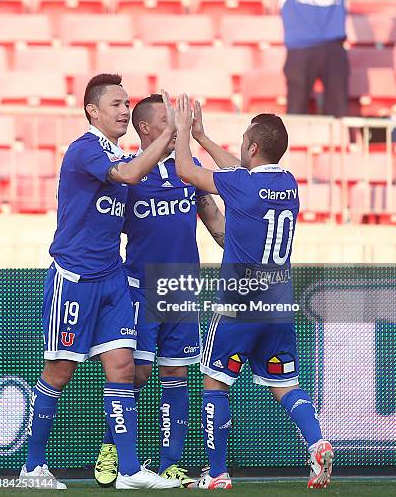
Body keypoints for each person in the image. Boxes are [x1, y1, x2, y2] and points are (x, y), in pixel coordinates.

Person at [20, 75, 180, 490]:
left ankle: (128, 471)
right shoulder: (85, 149)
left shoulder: (122, 154)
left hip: (112, 279)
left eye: (127, 103)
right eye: (116, 103)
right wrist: (169, 136)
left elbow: (131, 209)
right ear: (92, 110)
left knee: (124, 367)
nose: (125, 110)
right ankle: (32, 467)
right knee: (59, 371)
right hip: (74, 277)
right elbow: (127, 176)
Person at [174, 97, 334, 490]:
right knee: (286, 384)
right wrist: (204, 137)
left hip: (238, 302)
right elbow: (236, 169)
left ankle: (216, 474)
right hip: (278, 304)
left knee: (216, 383)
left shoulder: (241, 183)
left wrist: (182, 131)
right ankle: (316, 443)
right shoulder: (288, 184)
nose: (240, 147)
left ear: (254, 147)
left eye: (244, 141)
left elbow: (185, 170)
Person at [95, 94, 225, 488]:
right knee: (135, 372)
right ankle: (112, 449)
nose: (177, 126)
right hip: (139, 288)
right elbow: (102, 230)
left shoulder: (190, 169)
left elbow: (213, 218)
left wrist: (243, 250)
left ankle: (170, 462)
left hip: (183, 288)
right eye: (168, 121)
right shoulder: (130, 175)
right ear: (147, 129)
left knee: (175, 371)